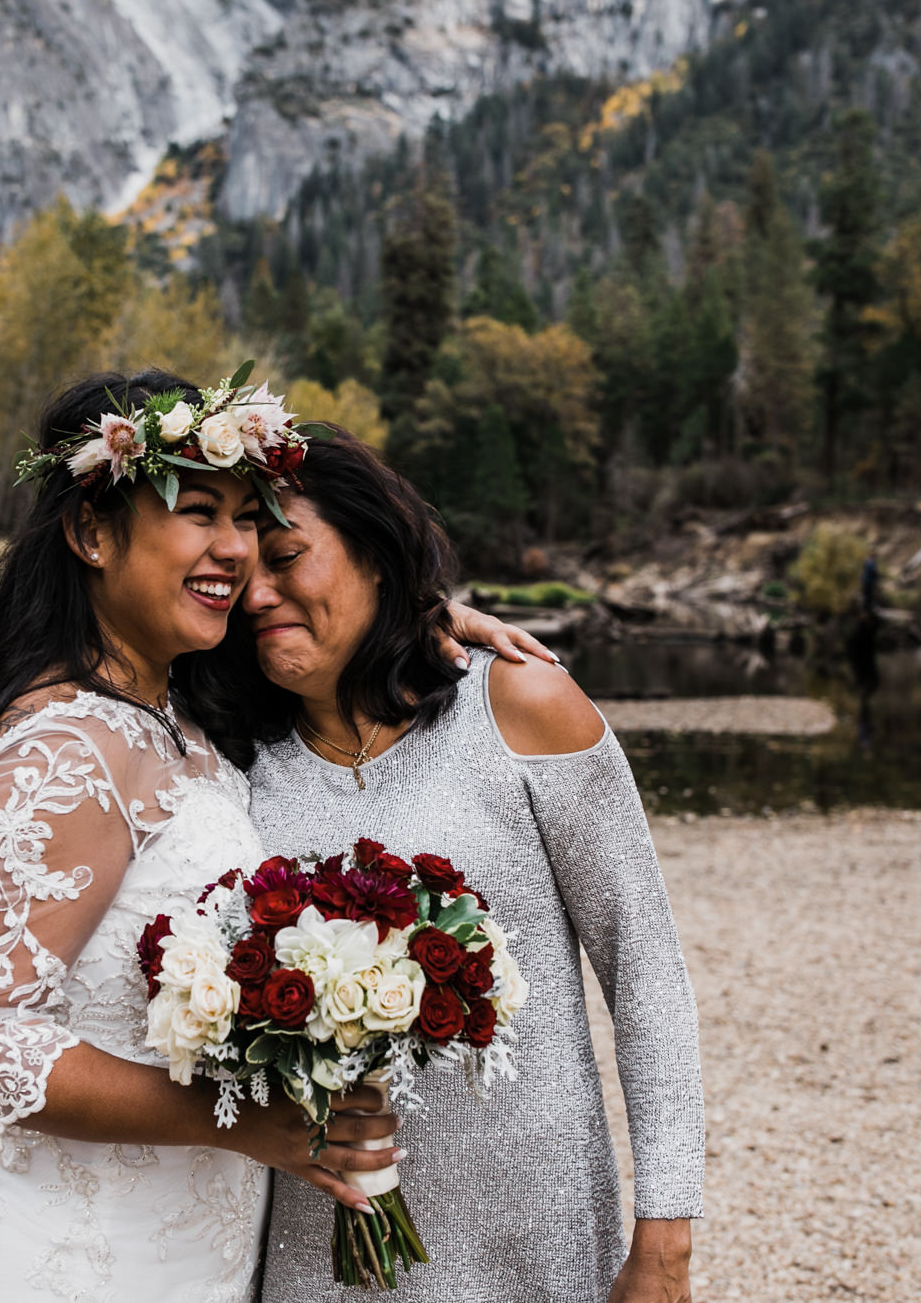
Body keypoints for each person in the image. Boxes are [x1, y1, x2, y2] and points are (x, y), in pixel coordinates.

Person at [0, 374, 533, 1302]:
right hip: (65, 1252)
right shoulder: (68, 745)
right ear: (90, 533)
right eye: (198, 510)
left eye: (247, 517)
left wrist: (417, 613)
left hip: (187, 1242)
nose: (234, 549)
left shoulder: (184, 713)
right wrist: (236, 1120)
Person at [190, 430, 706, 1302]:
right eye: (242, 577)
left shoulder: (520, 706)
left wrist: (665, 1240)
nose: (257, 596)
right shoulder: (227, 763)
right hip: (319, 1249)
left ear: (380, 558)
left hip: (533, 1237)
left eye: (286, 558)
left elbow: (646, 968)